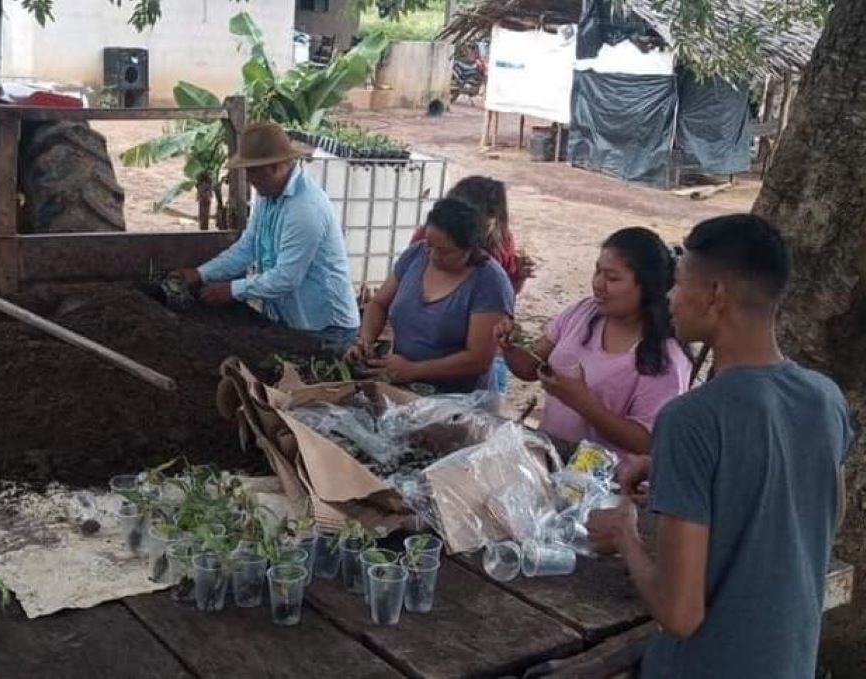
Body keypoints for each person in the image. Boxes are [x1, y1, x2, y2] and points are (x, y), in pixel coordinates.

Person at [587, 214, 850, 679]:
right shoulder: (824, 398)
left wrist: (624, 536)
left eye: (680, 282)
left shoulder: (690, 419)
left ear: (715, 296)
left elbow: (680, 614)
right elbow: (825, 513)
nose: (669, 296)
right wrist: (670, 467)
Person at [497, 227, 690, 456]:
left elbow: (647, 442)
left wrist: (582, 401)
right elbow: (530, 367)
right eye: (597, 272)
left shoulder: (664, 359)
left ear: (648, 287)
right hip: (548, 456)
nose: (598, 284)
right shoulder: (583, 313)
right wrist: (511, 345)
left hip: (603, 481)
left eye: (612, 278)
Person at [173, 122, 359, 352]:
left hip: (328, 330)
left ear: (275, 167)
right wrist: (201, 273)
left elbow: (286, 278)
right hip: (293, 322)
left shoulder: (305, 209)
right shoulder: (266, 195)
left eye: (252, 170)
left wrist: (231, 290)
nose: (248, 178)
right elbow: (248, 247)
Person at [346, 197, 514, 393]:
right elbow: (378, 304)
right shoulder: (415, 255)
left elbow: (478, 360)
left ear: (469, 248)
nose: (432, 256)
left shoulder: (490, 283)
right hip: (406, 390)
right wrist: (365, 342)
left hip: (459, 401)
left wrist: (414, 370)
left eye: (444, 251)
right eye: (429, 245)